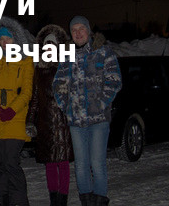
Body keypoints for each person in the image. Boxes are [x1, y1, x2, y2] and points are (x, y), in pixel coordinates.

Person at [53, 16, 122, 206]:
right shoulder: (67, 56)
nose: (78, 33)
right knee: (81, 165)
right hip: (76, 121)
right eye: (74, 30)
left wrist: (101, 103)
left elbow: (114, 80)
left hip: (99, 119)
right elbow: (58, 84)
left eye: (81, 28)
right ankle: (87, 201)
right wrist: (66, 106)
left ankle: (99, 200)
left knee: (97, 163)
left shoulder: (104, 53)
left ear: (88, 31)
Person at [0, 17, 34, 206]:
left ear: (16, 39)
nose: (5, 42)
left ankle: (19, 202)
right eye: (1, 39)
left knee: (12, 164)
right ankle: (2, 202)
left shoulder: (26, 61)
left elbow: (27, 91)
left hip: (15, 118)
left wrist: (11, 110)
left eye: (8, 38)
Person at [27, 25, 74, 206]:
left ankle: (62, 200)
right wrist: (30, 121)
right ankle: (54, 199)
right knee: (50, 163)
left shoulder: (66, 67)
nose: (49, 49)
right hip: (45, 123)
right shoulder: (38, 70)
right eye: (46, 46)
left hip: (63, 123)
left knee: (63, 163)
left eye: (52, 46)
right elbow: (35, 98)